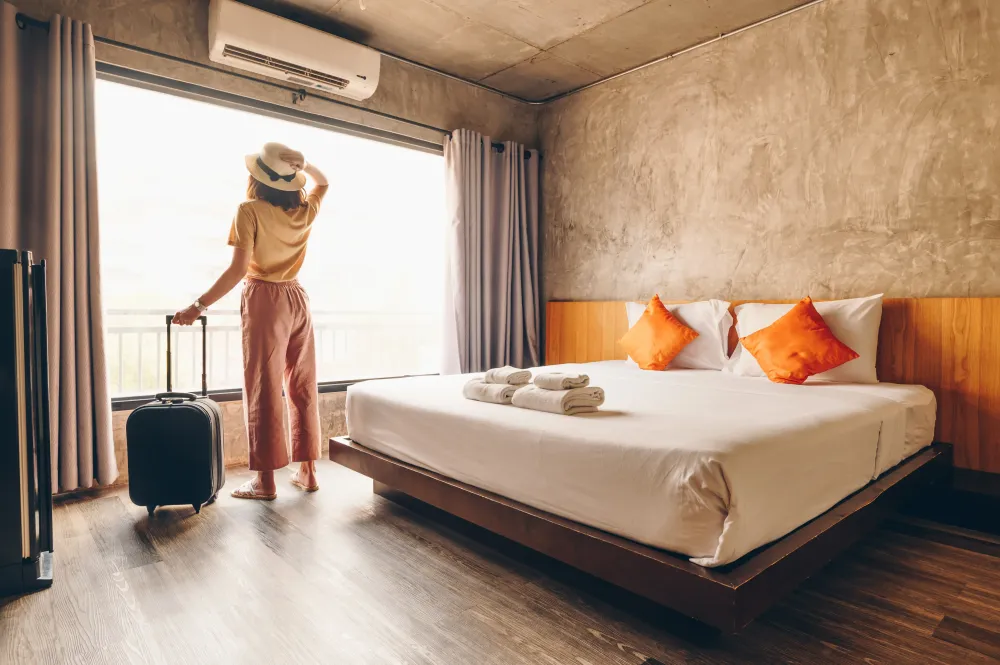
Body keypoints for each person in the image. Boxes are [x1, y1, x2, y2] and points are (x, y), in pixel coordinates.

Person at [173, 142, 329, 500]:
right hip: (297, 298)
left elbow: (237, 270)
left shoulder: (248, 210)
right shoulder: (303, 210)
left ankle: (266, 481)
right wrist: (305, 164)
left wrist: (198, 305)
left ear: (257, 176)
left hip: (264, 299)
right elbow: (324, 184)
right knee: (302, 383)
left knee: (264, 386)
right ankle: (307, 472)